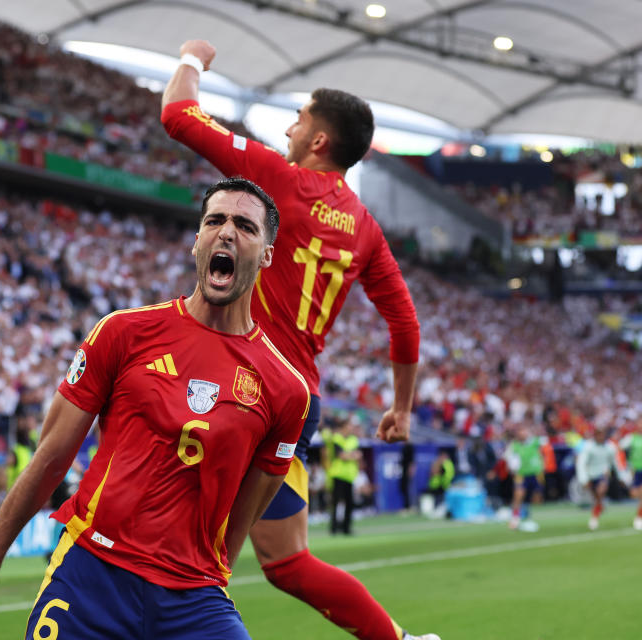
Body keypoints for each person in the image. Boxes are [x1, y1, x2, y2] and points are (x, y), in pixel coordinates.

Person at [0, 178, 311, 639]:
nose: (226, 232)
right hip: (92, 575)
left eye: (245, 225)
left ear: (267, 254)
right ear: (196, 240)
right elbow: (51, 458)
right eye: (214, 220)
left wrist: (207, 571)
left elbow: (244, 513)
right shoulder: (123, 332)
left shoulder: (286, 389)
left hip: (194, 596)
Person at [162, 40, 433, 640]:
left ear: (318, 141)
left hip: (241, 383)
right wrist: (402, 408)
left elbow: (177, 116)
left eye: (300, 118)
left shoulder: (278, 181)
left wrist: (191, 60)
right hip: (297, 398)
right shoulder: (364, 228)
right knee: (286, 562)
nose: (289, 127)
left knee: (177, 540)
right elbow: (405, 323)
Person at [575, 427, 619, 531]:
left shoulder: (610, 447)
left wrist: (621, 476)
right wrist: (584, 479)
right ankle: (600, 507)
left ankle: (594, 518)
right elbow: (581, 463)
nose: (601, 437)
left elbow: (615, 463)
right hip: (591, 475)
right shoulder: (588, 447)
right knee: (596, 498)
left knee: (600, 492)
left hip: (603, 474)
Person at [504, 424, 544, 530]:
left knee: (536, 499)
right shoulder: (514, 446)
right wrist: (512, 465)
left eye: (524, 431)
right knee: (518, 495)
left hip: (535, 474)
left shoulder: (535, 442)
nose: (523, 434)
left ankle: (527, 516)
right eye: (520, 432)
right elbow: (509, 459)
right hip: (521, 474)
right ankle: (515, 519)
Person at [328, 417, 361, 535]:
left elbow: (358, 455)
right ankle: (333, 528)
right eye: (349, 426)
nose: (351, 428)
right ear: (343, 427)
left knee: (349, 502)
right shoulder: (337, 438)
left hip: (350, 476)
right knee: (336, 502)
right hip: (338, 474)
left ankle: (346, 528)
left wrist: (349, 455)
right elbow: (341, 456)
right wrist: (351, 455)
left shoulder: (353, 440)